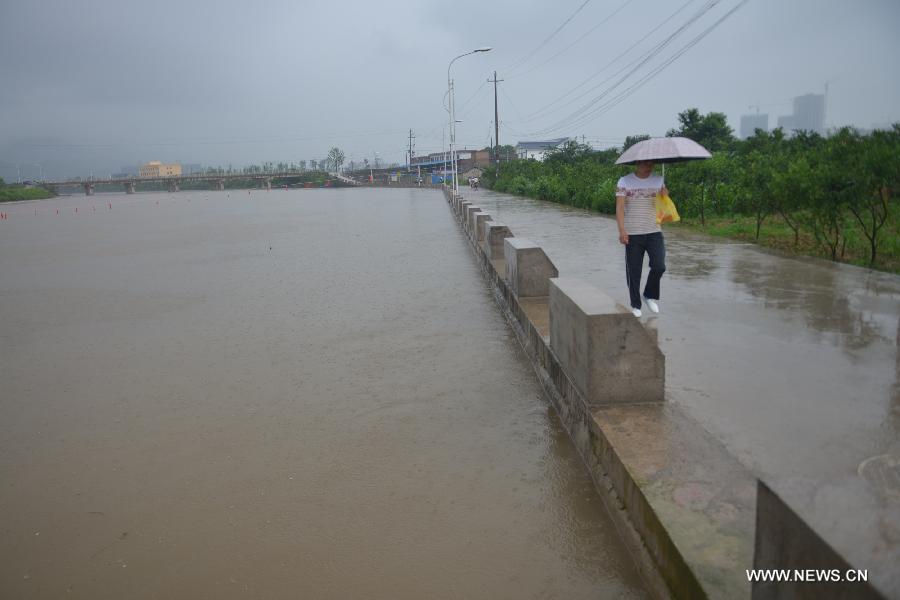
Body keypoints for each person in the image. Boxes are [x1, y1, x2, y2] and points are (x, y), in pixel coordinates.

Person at [615, 160, 667, 318]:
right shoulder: (624, 181)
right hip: (633, 233)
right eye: (645, 164)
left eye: (651, 164)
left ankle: (648, 294)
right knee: (634, 271)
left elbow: (664, 207)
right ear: (637, 163)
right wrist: (622, 230)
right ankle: (635, 304)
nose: (649, 167)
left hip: (654, 231)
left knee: (659, 266)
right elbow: (620, 207)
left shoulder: (659, 180)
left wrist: (665, 196)